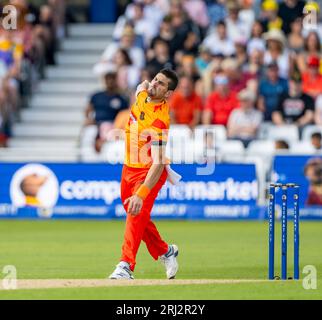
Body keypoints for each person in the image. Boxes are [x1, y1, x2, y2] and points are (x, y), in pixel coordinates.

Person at [109, 68, 180, 280]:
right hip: (128, 167)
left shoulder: (159, 121)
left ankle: (125, 265)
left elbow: (158, 162)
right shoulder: (142, 94)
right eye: (155, 80)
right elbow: (141, 86)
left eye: (161, 84)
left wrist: (141, 193)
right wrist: (145, 85)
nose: (154, 85)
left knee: (134, 213)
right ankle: (165, 251)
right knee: (138, 216)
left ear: (168, 93)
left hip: (150, 172)